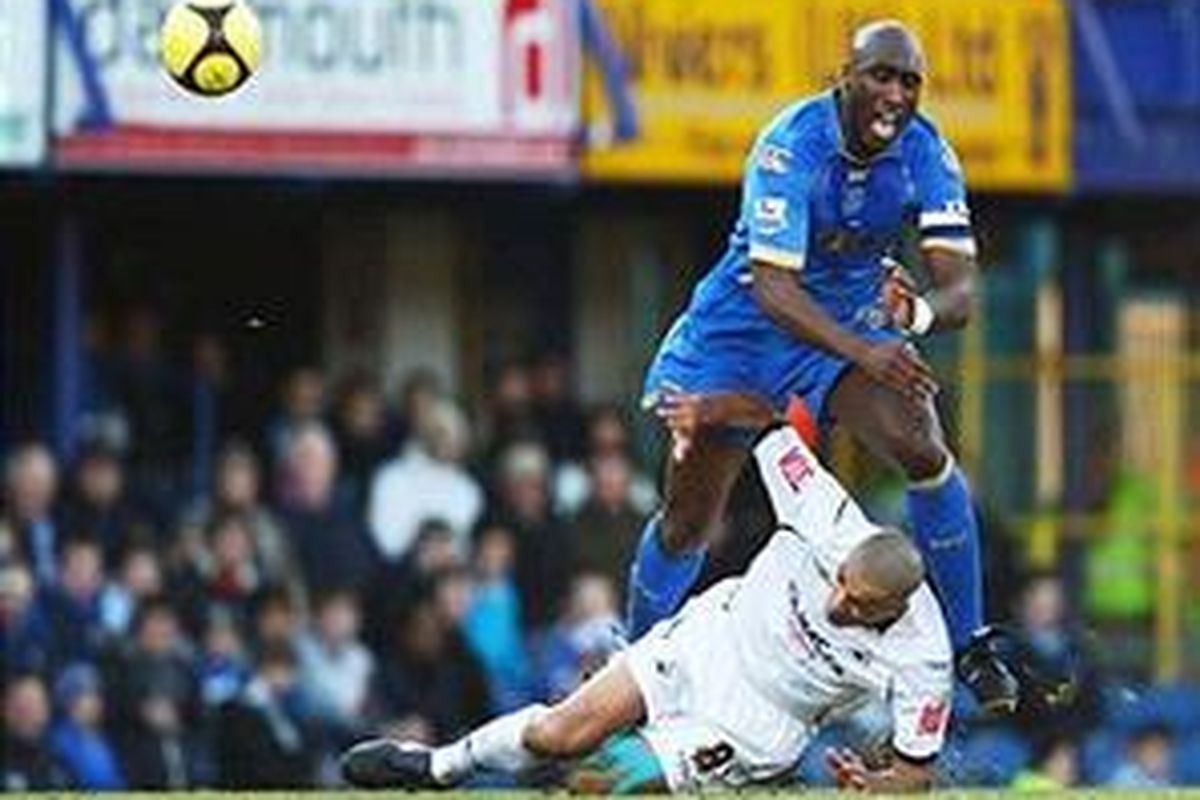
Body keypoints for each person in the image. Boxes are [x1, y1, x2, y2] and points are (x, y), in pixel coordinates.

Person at [623, 19, 1042, 712]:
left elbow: (963, 288)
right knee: (690, 519)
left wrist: (914, 318)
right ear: (843, 78)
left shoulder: (927, 152)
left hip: (846, 329)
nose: (896, 94)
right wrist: (868, 349)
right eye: (881, 75)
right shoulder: (791, 147)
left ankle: (971, 643)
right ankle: (636, 666)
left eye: (910, 82)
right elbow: (773, 288)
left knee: (921, 441)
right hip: (741, 338)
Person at [341, 411, 953, 792]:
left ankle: (668, 764)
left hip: (753, 724)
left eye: (857, 603)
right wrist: (700, 411)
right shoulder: (827, 515)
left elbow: (914, 774)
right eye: (839, 580)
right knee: (561, 734)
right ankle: (435, 768)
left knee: (599, 784)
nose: (837, 599)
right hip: (707, 638)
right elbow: (766, 422)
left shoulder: (924, 658)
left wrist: (875, 786)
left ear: (891, 610)